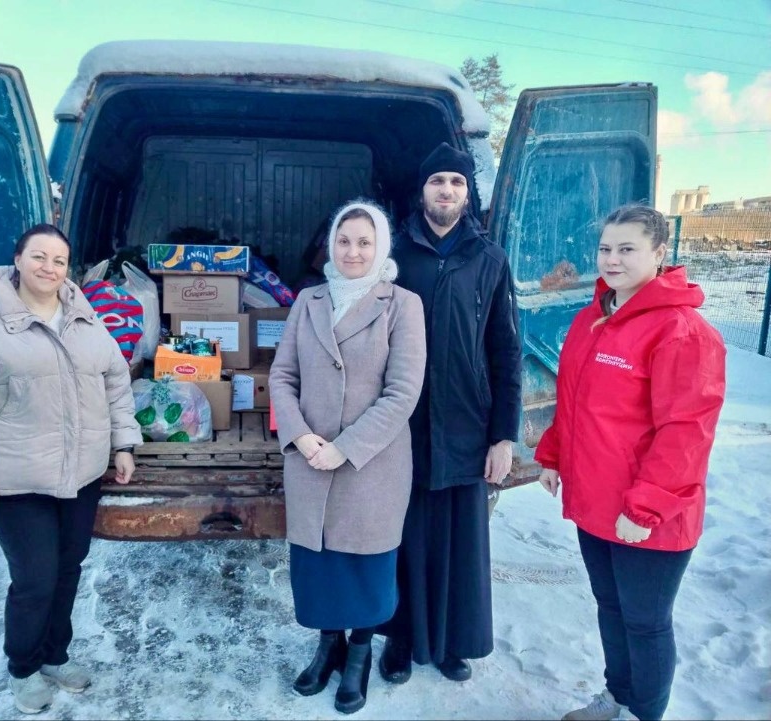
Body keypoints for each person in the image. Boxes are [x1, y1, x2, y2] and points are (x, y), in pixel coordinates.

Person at [0, 224, 142, 715]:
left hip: (81, 475)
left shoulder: (84, 317)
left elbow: (115, 383)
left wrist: (124, 443)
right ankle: (23, 667)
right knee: (35, 579)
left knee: (67, 570)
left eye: (59, 260)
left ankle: (55, 657)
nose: (49, 267)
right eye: (39, 256)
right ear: (18, 259)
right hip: (16, 479)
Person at [536, 204, 726, 721]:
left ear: (659, 253)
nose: (612, 260)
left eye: (627, 249)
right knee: (611, 608)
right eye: (605, 248)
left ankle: (645, 713)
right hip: (597, 501)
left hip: (649, 515)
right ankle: (617, 697)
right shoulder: (593, 318)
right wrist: (553, 456)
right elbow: (573, 401)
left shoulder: (681, 332)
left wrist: (645, 509)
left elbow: (686, 434)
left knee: (645, 622)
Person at [269, 199, 426, 714]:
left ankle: (358, 652)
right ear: (330, 245)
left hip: (370, 465)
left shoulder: (402, 305)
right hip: (310, 461)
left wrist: (346, 447)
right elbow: (282, 376)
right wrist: (300, 436)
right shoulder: (308, 300)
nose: (352, 251)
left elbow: (402, 392)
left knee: (364, 566)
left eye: (364, 242)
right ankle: (328, 646)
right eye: (343, 240)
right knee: (320, 567)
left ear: (381, 247)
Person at [378, 142, 522, 684]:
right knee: (403, 535)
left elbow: (505, 349)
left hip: (467, 422)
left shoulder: (489, 259)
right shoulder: (393, 256)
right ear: (422, 191)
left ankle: (450, 642)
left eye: (457, 182)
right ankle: (399, 638)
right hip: (404, 422)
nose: (447, 190)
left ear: (467, 193)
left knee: (459, 541)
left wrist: (503, 435)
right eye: (437, 180)